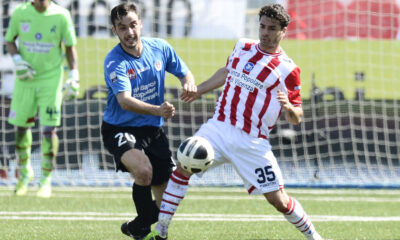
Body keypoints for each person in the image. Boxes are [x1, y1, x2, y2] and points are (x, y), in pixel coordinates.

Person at [145, 4, 324, 240]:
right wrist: (199, 90)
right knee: (183, 166)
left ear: (284, 31)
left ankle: (315, 238)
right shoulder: (243, 46)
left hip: (251, 142)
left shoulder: (289, 69)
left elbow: (297, 117)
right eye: (262, 26)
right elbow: (226, 71)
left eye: (272, 28)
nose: (265, 32)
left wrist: (288, 107)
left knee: (278, 201)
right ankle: (161, 231)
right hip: (217, 128)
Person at [101, 3, 197, 240]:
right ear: (115, 31)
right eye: (122, 28)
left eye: (133, 25)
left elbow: (184, 72)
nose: (129, 32)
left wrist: (189, 83)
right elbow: (124, 101)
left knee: (169, 201)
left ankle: (137, 227)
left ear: (140, 24)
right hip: (120, 128)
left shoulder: (160, 48)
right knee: (143, 171)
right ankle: (144, 227)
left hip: (152, 130)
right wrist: (158, 110)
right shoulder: (115, 61)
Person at [5, 0, 80, 198]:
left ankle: (45, 179)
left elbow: (70, 46)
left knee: (49, 129)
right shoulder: (20, 13)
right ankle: (24, 174)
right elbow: (10, 40)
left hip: (51, 79)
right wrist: (18, 60)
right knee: (21, 127)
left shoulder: (61, 15)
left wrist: (74, 73)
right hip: (25, 79)